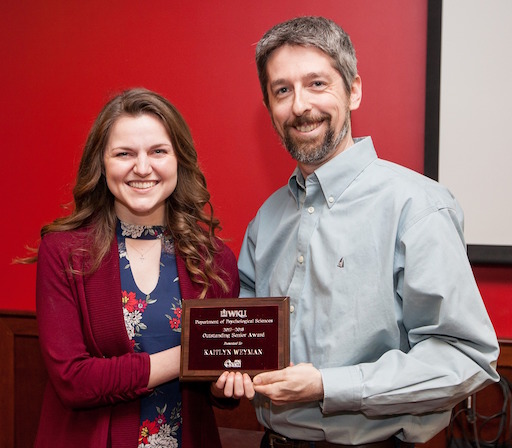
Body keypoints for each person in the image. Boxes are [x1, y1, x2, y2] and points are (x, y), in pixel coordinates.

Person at [233, 16, 500, 448]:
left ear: (353, 90)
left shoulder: (418, 207)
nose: (299, 106)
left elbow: (465, 356)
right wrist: (227, 370)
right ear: (270, 108)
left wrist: (329, 385)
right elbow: (243, 328)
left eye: (317, 84)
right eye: (282, 90)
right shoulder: (267, 219)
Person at [30, 88, 240, 448]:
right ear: (101, 163)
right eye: (124, 153)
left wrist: (225, 386)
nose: (142, 168)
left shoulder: (214, 260)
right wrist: (192, 354)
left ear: (179, 160)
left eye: (158, 151)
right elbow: (73, 380)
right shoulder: (63, 252)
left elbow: (216, 383)